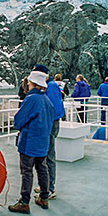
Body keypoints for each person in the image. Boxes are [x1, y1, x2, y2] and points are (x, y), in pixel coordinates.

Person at [8, 70, 54, 214]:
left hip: (29, 142)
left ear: (33, 83)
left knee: (27, 171)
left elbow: (19, 120)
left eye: (29, 82)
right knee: (42, 168)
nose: (27, 84)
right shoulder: (47, 100)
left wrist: (20, 126)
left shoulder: (32, 99)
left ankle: (24, 202)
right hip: (43, 142)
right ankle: (44, 197)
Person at [33, 65, 64, 201]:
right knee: (44, 156)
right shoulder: (50, 85)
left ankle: (50, 188)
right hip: (50, 123)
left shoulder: (50, 86)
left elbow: (53, 108)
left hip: (50, 124)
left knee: (49, 155)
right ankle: (45, 185)